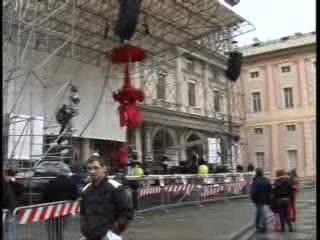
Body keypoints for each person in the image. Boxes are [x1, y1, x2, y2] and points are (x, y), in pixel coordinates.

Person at [80, 155, 134, 240]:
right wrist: (84, 229)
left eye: (96, 168)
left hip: (109, 236)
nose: (92, 171)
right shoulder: (86, 190)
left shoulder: (115, 187)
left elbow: (127, 212)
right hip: (90, 236)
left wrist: (114, 232)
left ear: (104, 168)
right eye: (89, 168)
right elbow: (83, 213)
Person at [43, 167, 79, 240]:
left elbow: (44, 195)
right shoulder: (71, 183)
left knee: (51, 230)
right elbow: (75, 196)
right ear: (67, 173)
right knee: (61, 229)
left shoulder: (51, 182)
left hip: (51, 210)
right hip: (64, 210)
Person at [250, 168, 272, 232]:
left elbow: (253, 192)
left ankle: (264, 226)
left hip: (258, 199)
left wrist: (253, 199)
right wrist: (269, 198)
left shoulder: (255, 181)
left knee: (262, 212)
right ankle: (257, 224)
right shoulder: (266, 180)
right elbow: (270, 190)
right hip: (265, 198)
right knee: (259, 211)